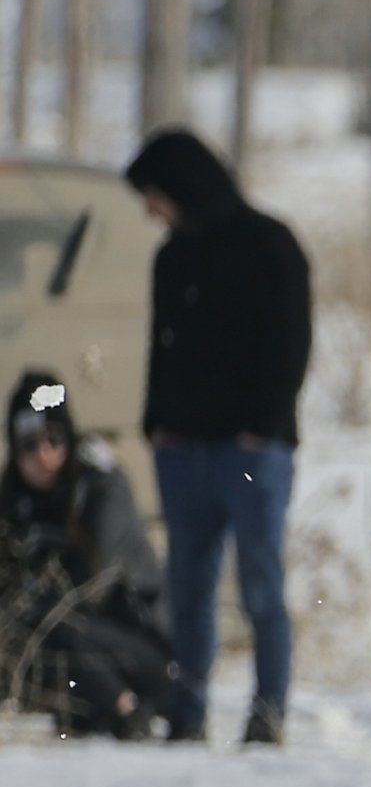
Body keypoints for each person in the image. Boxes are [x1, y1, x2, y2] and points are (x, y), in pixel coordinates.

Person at [123, 128, 311, 746]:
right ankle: (188, 711)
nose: (149, 210)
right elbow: (160, 347)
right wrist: (155, 422)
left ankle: (268, 712)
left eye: (153, 195)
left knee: (260, 581)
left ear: (180, 187)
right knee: (188, 585)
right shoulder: (170, 257)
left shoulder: (270, 245)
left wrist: (262, 426)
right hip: (182, 449)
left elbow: (290, 347)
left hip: (252, 450)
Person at [1, 372, 172, 737]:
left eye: (53, 439)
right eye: (28, 445)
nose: (42, 454)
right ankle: (83, 707)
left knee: (55, 622)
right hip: (64, 644)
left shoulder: (99, 486)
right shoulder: (14, 500)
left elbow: (89, 588)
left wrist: (27, 608)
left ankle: (125, 709)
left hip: (141, 648)